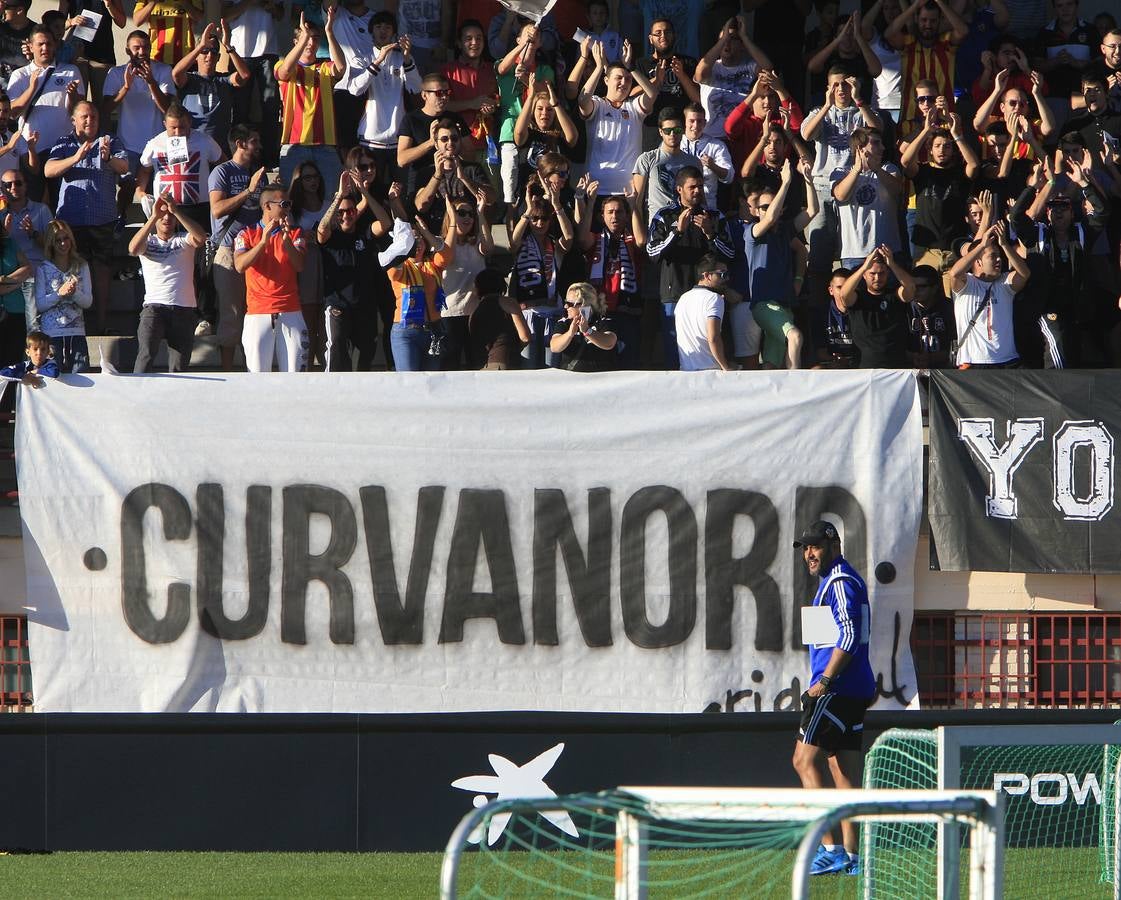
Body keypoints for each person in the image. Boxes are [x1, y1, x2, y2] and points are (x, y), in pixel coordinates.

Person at [791, 519, 875, 879]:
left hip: (837, 691)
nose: (810, 553)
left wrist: (824, 681)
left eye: (816, 546)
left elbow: (851, 633)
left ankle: (830, 850)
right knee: (842, 772)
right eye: (806, 548)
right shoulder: (835, 581)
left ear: (834, 545)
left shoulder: (840, 581)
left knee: (802, 761)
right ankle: (854, 858)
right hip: (851, 690)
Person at [45, 100, 130, 334]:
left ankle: (101, 325)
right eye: (84, 117)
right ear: (74, 120)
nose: (89, 120)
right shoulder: (64, 142)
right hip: (71, 224)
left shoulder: (109, 141)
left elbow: (124, 167)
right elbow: (48, 170)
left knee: (102, 274)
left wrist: (108, 159)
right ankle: (74, 326)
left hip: (102, 220)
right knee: (72, 275)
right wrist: (75, 157)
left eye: (93, 116)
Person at [647, 165, 735, 369]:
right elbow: (652, 253)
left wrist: (710, 234)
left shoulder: (714, 216)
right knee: (676, 354)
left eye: (701, 186)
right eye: (692, 187)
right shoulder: (664, 216)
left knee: (712, 350)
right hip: (675, 294)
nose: (697, 191)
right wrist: (677, 232)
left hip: (708, 295)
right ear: (679, 189)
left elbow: (730, 254)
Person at [316, 171, 392, 371]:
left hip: (365, 306)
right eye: (340, 212)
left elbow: (385, 224)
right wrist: (339, 196)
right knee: (337, 351)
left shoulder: (364, 232)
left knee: (365, 357)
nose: (345, 215)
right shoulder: (331, 235)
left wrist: (364, 193)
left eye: (350, 211)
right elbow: (321, 230)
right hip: (337, 305)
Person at [233, 183, 309, 373]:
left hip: (290, 310)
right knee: (257, 376)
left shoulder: (295, 233)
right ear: (267, 206)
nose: (288, 209)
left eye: (289, 204)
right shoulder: (247, 233)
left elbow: (299, 265)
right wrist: (262, 242)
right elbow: (240, 265)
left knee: (295, 374)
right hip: (257, 312)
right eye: (284, 204)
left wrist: (286, 240)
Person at [129, 193, 207, 373]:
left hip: (184, 309)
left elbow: (201, 238)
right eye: (162, 215)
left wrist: (176, 211)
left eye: (169, 215)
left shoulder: (183, 239)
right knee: (145, 356)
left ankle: (177, 401)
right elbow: (133, 249)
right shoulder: (148, 241)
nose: (166, 218)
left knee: (179, 366)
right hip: (154, 308)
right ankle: (137, 396)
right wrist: (154, 216)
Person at [209, 124, 266, 369]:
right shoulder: (222, 172)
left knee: (252, 310)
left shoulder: (257, 172)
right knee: (231, 312)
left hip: (254, 250)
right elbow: (217, 209)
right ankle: (228, 370)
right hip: (228, 250)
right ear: (240, 143)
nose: (259, 146)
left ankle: (251, 366)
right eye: (254, 140)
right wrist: (249, 190)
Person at [348, 13, 420, 194]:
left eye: (388, 27)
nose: (383, 31)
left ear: (394, 32)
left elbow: (417, 88)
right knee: (371, 191)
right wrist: (378, 60)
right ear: (371, 31)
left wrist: (406, 58)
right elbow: (355, 89)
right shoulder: (362, 58)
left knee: (400, 192)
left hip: (399, 142)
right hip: (370, 141)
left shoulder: (402, 58)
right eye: (378, 26)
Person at [275, 10, 345, 191]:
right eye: (306, 38)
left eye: (314, 38)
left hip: (325, 144)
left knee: (332, 198)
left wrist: (329, 32)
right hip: (293, 144)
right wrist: (303, 38)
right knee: (290, 198)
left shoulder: (325, 67)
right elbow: (284, 72)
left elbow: (341, 68)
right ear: (295, 43)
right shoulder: (284, 64)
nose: (311, 43)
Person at [947, 221, 1030, 367]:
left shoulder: (1004, 282)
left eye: (999, 256)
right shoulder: (967, 284)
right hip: (973, 363)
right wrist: (981, 246)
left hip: (1007, 362)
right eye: (993, 256)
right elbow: (954, 274)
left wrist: (1004, 245)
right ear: (978, 262)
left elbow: (1024, 274)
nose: (999, 259)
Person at [172, 20, 249, 154]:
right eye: (205, 51)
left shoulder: (223, 80)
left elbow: (245, 75)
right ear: (197, 55)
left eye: (213, 52)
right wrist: (199, 46)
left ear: (218, 57)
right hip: (190, 148)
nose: (209, 56)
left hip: (219, 149)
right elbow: (176, 73)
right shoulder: (190, 79)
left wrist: (228, 46)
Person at [835, 245, 917, 368]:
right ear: (864, 275)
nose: (877, 278)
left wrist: (892, 264)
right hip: (865, 366)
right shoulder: (858, 298)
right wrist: (864, 267)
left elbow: (910, 288)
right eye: (872, 274)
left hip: (896, 366)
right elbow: (844, 294)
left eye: (882, 273)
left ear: (888, 273)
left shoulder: (895, 295)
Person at [34, 219, 93, 373]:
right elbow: (40, 305)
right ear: (51, 243)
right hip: (52, 334)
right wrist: (59, 294)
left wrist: (74, 293)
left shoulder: (82, 265)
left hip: (76, 332)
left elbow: (88, 302)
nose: (63, 243)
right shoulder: (43, 268)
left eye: (66, 238)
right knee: (54, 379)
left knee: (82, 377)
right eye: (57, 240)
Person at [674, 252, 733, 371]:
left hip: (686, 371)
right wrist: (725, 367)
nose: (726, 278)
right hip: (710, 373)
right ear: (707, 275)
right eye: (722, 274)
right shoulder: (714, 299)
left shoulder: (683, 298)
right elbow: (713, 338)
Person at [549, 280, 619, 371]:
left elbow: (609, 343)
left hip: (600, 378)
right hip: (572, 378)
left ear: (585, 305)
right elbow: (554, 347)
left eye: (570, 304)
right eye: (566, 302)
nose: (566, 307)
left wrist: (587, 331)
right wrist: (570, 333)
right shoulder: (564, 322)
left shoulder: (603, 321)